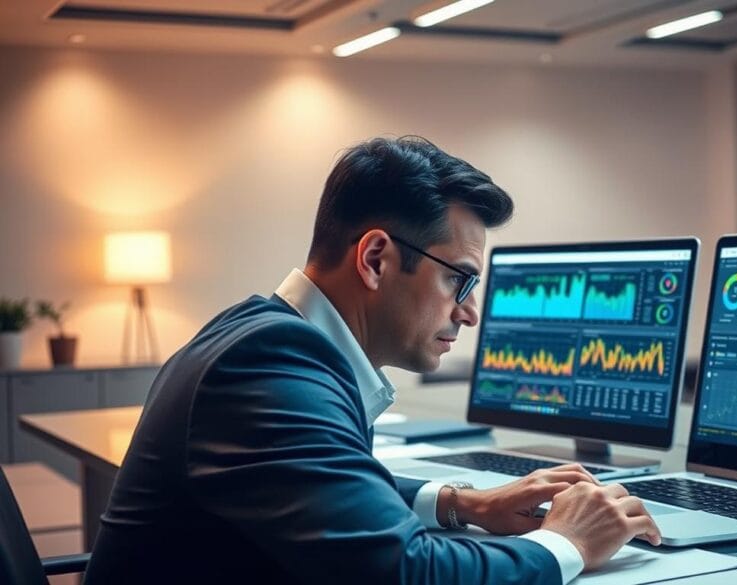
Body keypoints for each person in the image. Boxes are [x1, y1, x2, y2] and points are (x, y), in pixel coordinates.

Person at [83, 136, 661, 585]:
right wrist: (567, 542)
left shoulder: (258, 330)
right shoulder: (272, 363)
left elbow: (322, 483)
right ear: (377, 259)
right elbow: (406, 573)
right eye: (459, 280)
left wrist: (464, 504)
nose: (470, 314)